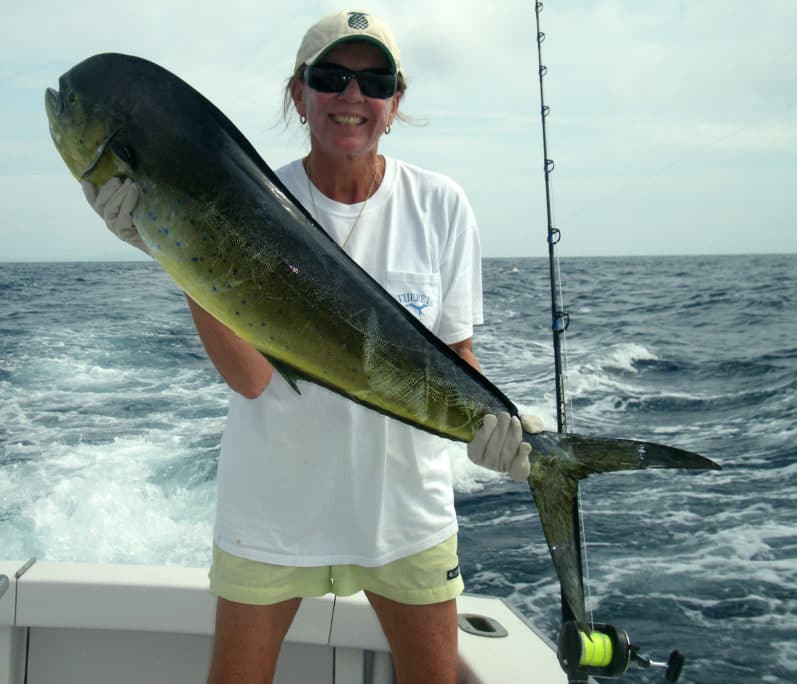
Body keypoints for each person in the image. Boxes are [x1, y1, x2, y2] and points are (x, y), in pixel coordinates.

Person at [83, 9, 543, 683]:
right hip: (272, 511)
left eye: (373, 80)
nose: (351, 96)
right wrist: (167, 240)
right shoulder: (243, 201)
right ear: (298, 96)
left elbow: (456, 353)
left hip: (404, 514)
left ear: (395, 101)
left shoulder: (441, 206)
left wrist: (502, 421)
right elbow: (251, 380)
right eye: (330, 78)